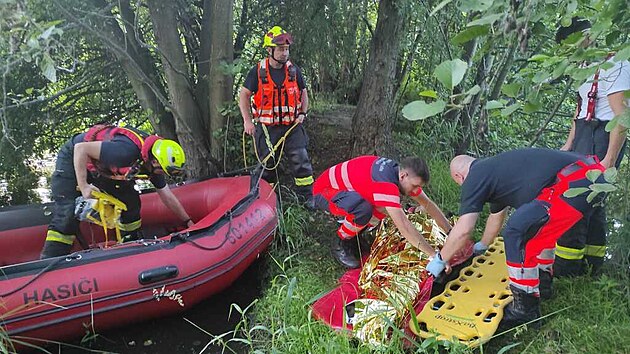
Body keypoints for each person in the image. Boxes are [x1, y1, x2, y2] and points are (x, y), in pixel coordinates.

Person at [426, 148, 607, 330]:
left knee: (516, 232)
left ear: (459, 176)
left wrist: (440, 260)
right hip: (591, 175)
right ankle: (542, 285)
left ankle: (524, 308)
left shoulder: (475, 176)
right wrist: (481, 246)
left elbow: (464, 229)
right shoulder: (494, 171)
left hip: (572, 182)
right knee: (538, 230)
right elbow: (496, 218)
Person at [40, 124, 194, 259]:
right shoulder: (124, 152)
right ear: (154, 161)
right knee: (67, 213)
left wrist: (187, 221)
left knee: (130, 203)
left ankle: (131, 244)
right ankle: (51, 259)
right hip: (73, 156)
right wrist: (84, 186)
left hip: (101, 167)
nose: (162, 174)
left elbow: (166, 195)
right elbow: (81, 149)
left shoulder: (151, 161)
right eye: (162, 170)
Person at [556, 17, 629, 276]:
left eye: (570, 44)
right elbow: (579, 112)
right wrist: (567, 146)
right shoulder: (584, 67)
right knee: (592, 200)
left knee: (576, 198)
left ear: (585, 36)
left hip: (603, 137)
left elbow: (621, 117)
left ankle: (566, 267)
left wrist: (609, 159)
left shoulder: (614, 64)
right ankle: (591, 265)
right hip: (584, 135)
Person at [312, 155, 452, 269]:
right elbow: (404, 225)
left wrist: (449, 231)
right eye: (415, 186)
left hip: (345, 191)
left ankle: (355, 235)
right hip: (324, 192)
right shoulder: (386, 183)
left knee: (380, 208)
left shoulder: (397, 173)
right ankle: (341, 241)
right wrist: (434, 255)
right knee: (363, 209)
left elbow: (427, 204)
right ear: (403, 175)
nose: (415, 191)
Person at [238, 26, 315, 208]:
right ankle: (268, 201)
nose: (284, 53)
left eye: (286, 49)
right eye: (280, 49)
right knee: (267, 166)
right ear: (270, 50)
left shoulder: (293, 71)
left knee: (301, 160)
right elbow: (244, 95)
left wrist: (303, 112)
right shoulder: (257, 71)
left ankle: (306, 199)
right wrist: (248, 121)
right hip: (267, 128)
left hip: (292, 126)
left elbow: (303, 93)